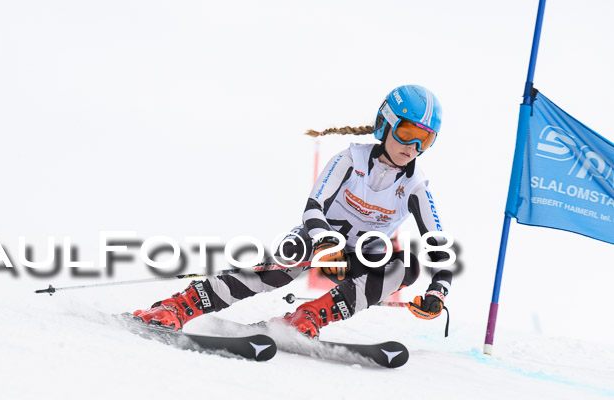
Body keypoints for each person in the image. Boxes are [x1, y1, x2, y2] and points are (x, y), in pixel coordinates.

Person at [133, 84, 452, 338]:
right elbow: (314, 208)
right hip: (316, 242)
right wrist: (327, 243)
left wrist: (438, 291)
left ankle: (308, 316)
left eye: (425, 139)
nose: (412, 147)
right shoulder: (350, 160)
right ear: (385, 125)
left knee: (405, 265)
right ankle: (179, 306)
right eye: (408, 133)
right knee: (279, 268)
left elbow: (437, 245)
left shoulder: (415, 186)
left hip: (359, 258)